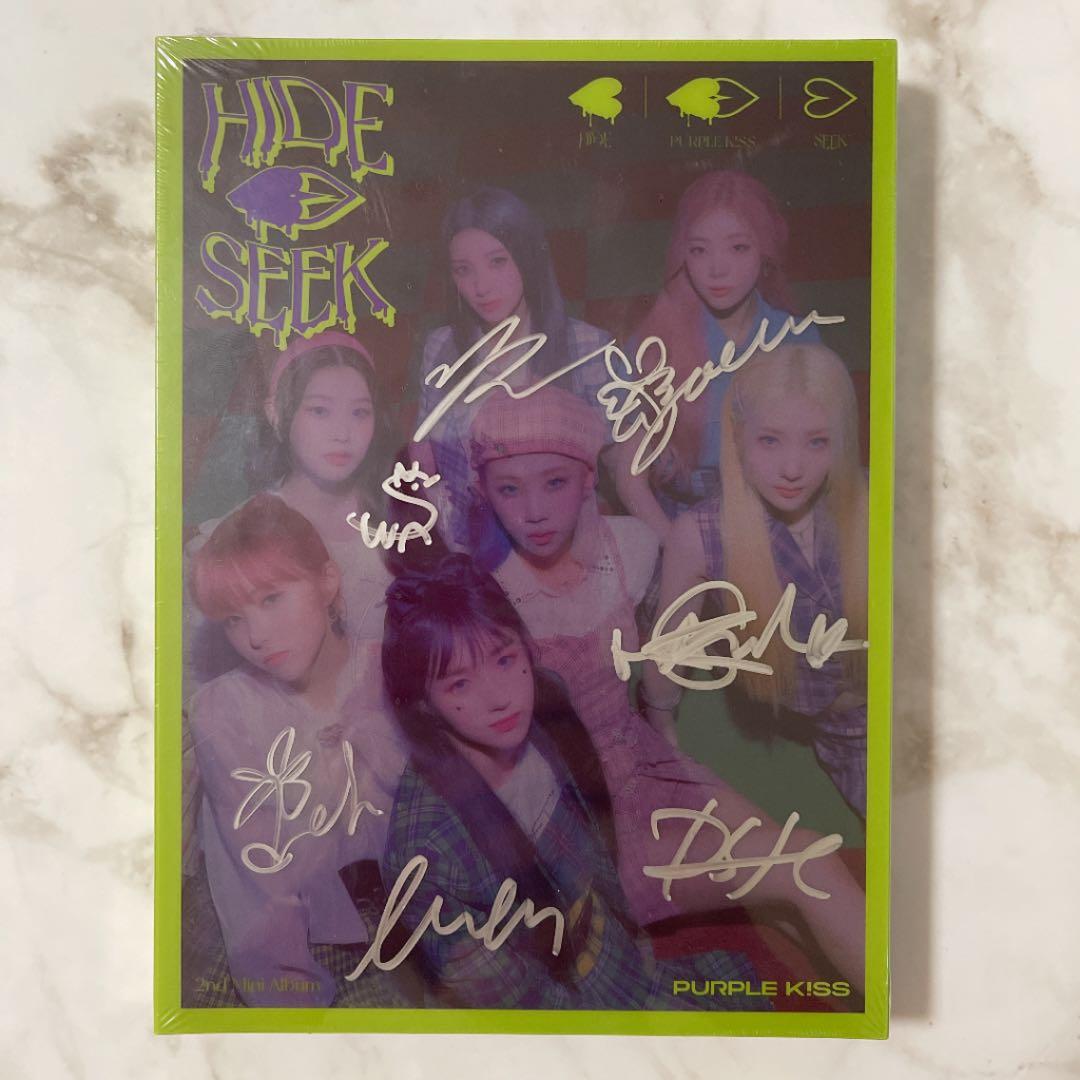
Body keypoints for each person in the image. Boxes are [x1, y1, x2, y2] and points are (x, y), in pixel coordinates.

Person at [466, 388, 865, 988]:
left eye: (555, 482)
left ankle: (867, 1008)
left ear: (587, 480)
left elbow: (706, 561)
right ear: (484, 493)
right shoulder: (484, 591)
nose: (535, 511)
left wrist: (638, 490)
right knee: (803, 865)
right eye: (509, 489)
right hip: (577, 821)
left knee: (794, 884)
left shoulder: (628, 546)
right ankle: (904, 1017)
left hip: (648, 766)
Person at [377, 555, 770, 1011]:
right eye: (459, 685)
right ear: (424, 703)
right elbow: (526, 1008)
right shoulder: (426, 855)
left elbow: (598, 860)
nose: (498, 697)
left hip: (612, 950)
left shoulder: (548, 704)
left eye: (504, 659)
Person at [185, 495, 409, 1007]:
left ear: (327, 581)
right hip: (295, 936)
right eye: (232, 619)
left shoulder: (399, 666)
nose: (255, 637)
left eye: (271, 599)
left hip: (427, 917)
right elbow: (256, 885)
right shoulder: (224, 711)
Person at [647, 343, 869, 818]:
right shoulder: (702, 535)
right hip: (855, 743)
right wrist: (662, 730)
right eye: (770, 440)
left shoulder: (876, 503)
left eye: (817, 442)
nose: (792, 468)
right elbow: (667, 659)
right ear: (737, 437)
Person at [614, 170, 821, 540]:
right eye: (699, 250)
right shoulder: (655, 342)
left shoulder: (798, 339)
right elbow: (630, 481)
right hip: (678, 527)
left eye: (738, 248)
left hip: (777, 525)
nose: (717, 269)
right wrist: (680, 549)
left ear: (765, 251)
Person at [186, 331, 396, 686]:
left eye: (360, 412)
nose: (342, 433)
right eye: (320, 411)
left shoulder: (407, 523)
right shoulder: (228, 541)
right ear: (276, 412)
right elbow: (199, 682)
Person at [411, 187, 613, 554]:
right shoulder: (441, 347)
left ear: (528, 257)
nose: (481, 286)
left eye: (497, 261)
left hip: (564, 551)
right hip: (468, 550)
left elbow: (623, 470)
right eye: (463, 270)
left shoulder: (587, 346)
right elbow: (423, 462)